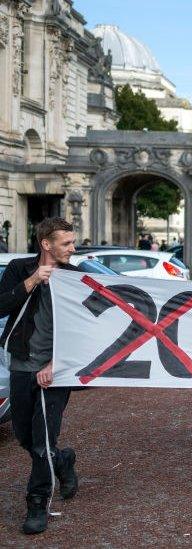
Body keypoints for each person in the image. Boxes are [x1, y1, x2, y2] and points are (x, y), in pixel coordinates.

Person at [0, 218, 80, 534]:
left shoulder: (76, 277)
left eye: (73, 243)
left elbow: (85, 330)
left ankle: (37, 504)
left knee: (43, 441)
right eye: (66, 243)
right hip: (21, 365)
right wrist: (33, 280)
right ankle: (63, 461)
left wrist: (56, 363)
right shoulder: (20, 269)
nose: (73, 249)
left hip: (56, 372)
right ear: (46, 244)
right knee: (24, 437)